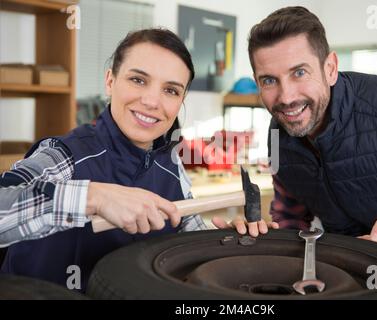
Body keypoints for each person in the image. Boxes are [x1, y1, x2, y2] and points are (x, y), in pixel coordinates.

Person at [0, 28, 275, 292]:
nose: (152, 101)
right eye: (138, 80)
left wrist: (227, 243)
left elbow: (188, 242)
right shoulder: (63, 156)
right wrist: (94, 197)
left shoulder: (171, 166)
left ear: (181, 101)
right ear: (110, 81)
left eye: (171, 90)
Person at [248, 6, 377, 269]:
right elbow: (289, 220)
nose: (286, 97)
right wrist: (252, 239)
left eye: (299, 73)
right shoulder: (278, 132)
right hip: (347, 277)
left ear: (330, 68)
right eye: (269, 81)